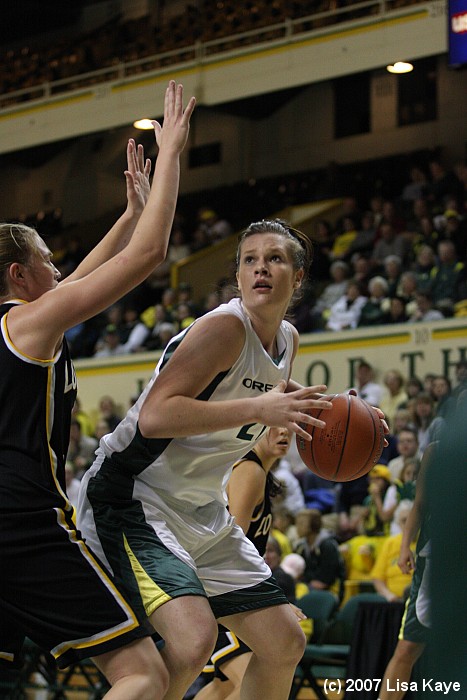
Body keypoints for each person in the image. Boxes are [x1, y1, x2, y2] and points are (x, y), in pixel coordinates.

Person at [76, 218, 343, 700]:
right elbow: (155, 417)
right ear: (238, 276)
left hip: (201, 509)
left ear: (297, 277)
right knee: (194, 639)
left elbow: (269, 394)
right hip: (134, 497)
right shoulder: (224, 328)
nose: (261, 269)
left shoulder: (287, 338)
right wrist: (261, 408)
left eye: (275, 259)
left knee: (284, 642)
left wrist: (346, 412)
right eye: (250, 260)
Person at [0, 80, 196, 698]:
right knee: (142, 673)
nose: (58, 271)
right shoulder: (27, 324)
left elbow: (84, 278)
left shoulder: (28, 326)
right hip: (22, 522)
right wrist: (171, 161)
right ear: (17, 275)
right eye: (47, 261)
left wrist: (129, 214)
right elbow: (148, 257)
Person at [192, 426, 302, 700]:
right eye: (274, 427)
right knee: (254, 682)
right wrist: (272, 600)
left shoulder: (259, 473)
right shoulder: (249, 469)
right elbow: (232, 542)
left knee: (225, 686)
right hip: (224, 592)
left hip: (222, 588)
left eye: (288, 427)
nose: (282, 433)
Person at [377, 442, 434, 700]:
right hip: (436, 559)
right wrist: (404, 546)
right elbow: (420, 505)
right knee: (408, 646)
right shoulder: (437, 451)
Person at [371, 500, 415, 603]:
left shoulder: (425, 544)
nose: (408, 524)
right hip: (392, 601)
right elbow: (377, 578)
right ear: (398, 523)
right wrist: (388, 595)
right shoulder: (390, 543)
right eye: (404, 521)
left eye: (411, 520)